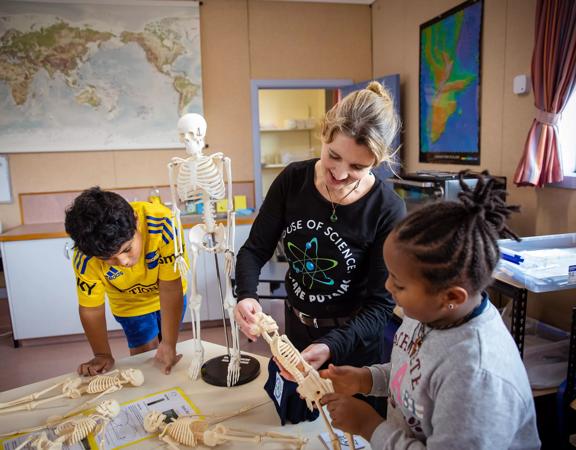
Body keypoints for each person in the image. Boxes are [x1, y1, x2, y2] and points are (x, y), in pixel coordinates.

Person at [320, 172, 541, 449]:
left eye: (399, 285)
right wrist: (367, 379)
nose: (387, 287)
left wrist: (369, 425)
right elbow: (415, 374)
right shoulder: (428, 314)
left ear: (450, 296)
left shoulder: (476, 378)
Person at [234, 82, 405, 396]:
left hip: (353, 344)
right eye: (333, 156)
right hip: (296, 330)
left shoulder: (387, 208)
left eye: (356, 167)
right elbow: (255, 249)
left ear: (376, 163)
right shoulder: (293, 180)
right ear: (324, 135)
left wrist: (330, 345)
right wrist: (246, 294)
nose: (339, 174)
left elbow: (381, 305)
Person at [65, 187, 188, 376]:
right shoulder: (86, 259)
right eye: (109, 259)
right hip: (129, 303)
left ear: (136, 222)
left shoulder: (164, 223)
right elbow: (91, 309)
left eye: (127, 249)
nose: (124, 262)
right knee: (146, 362)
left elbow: (171, 288)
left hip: (171, 289)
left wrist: (169, 343)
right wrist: (102, 354)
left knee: (167, 351)